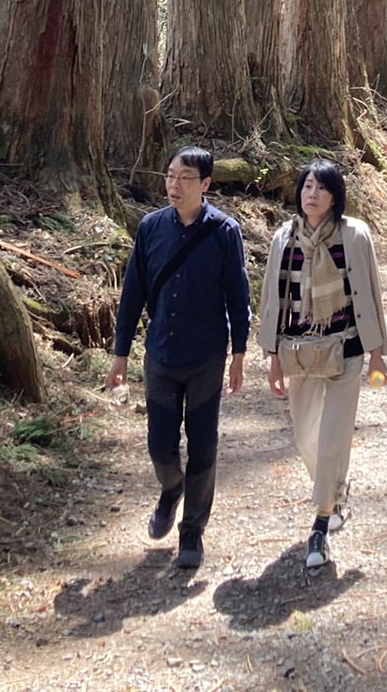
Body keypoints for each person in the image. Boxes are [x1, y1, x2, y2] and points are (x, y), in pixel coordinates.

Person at [106, 147, 252, 572]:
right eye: (170, 176)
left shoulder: (225, 232)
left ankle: (192, 532)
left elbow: (238, 295)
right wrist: (120, 355)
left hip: (206, 355)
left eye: (185, 178)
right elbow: (132, 293)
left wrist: (238, 353)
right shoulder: (151, 228)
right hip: (161, 355)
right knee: (160, 447)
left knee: (203, 447)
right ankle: (171, 490)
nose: (174, 185)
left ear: (205, 184)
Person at [258, 160, 387, 572]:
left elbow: (370, 293)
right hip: (300, 352)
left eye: (320, 188)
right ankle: (335, 488)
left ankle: (320, 524)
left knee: (333, 437)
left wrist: (377, 352)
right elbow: (271, 300)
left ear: (335, 196)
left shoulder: (354, 236)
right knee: (304, 438)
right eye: (306, 186)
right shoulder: (285, 238)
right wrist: (272, 357)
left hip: (346, 351)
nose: (311, 194)